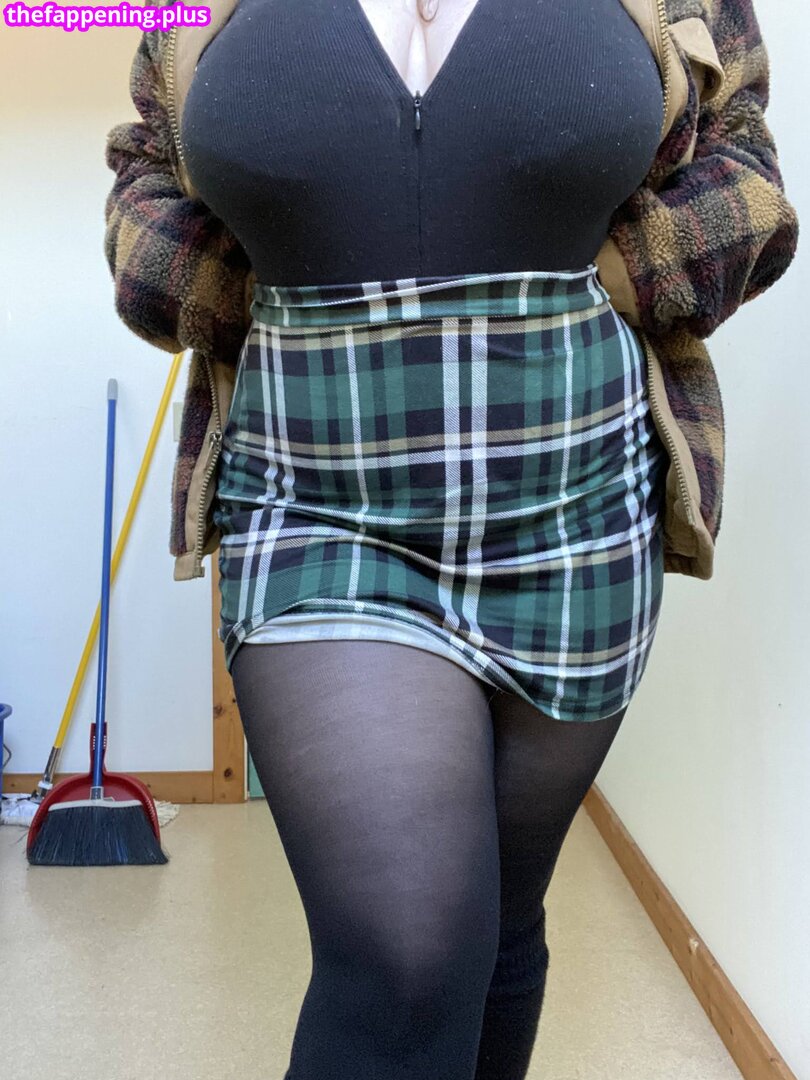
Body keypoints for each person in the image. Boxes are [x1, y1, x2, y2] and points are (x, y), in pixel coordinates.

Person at [103, 0, 799, 1076]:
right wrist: (259, 300)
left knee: (502, 921)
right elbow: (143, 176)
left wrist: (615, 279)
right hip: (317, 501)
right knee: (407, 957)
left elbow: (745, 172)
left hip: (578, 512)